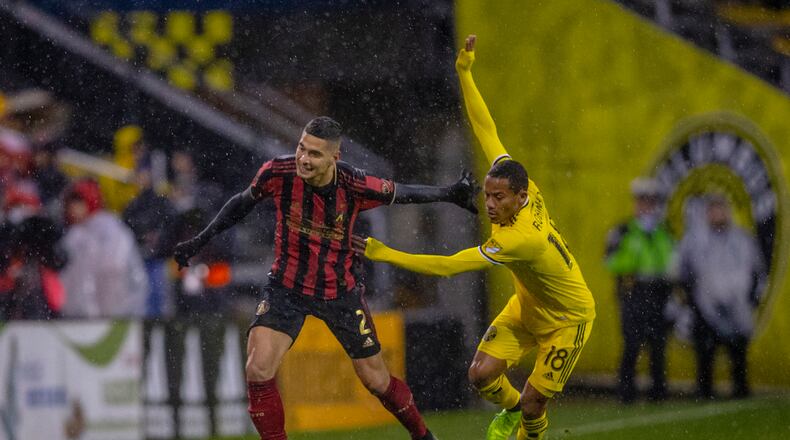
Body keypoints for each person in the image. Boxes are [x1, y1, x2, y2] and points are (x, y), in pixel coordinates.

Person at [173, 116, 479, 440]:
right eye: (302, 148)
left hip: (339, 292)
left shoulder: (355, 184)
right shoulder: (278, 172)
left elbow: (402, 193)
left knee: (376, 381)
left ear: (335, 156)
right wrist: (199, 241)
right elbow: (242, 202)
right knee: (258, 368)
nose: (304, 159)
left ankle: (423, 436)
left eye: (315, 154)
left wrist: (450, 193)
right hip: (286, 287)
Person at [352, 35, 596, 440]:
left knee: (538, 401)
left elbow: (449, 267)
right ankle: (513, 410)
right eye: (487, 195)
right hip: (528, 307)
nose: (490, 204)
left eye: (499, 198)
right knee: (480, 375)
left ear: (520, 197)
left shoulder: (522, 239)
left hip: (568, 320)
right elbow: (487, 129)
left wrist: (385, 252)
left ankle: (530, 430)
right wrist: (464, 72)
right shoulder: (521, 183)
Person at [676, 194, 765, 399]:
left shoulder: (742, 239)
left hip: (737, 306)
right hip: (705, 305)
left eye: (721, 209)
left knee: (738, 353)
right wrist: (692, 299)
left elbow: (756, 270)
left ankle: (740, 391)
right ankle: (704, 392)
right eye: (713, 210)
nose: (717, 214)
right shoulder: (695, 240)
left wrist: (750, 299)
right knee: (705, 353)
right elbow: (683, 270)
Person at [604, 177, 675, 403]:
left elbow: (672, 262)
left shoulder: (664, 232)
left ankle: (658, 393)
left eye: (651, 202)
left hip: (659, 293)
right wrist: (633, 265)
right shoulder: (624, 231)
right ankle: (626, 394)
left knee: (658, 345)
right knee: (632, 345)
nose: (647, 207)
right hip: (633, 292)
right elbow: (610, 261)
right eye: (642, 202)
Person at [59, 178, 148, 318]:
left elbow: (114, 269)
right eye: (71, 204)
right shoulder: (74, 234)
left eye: (79, 203)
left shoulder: (108, 229)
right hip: (79, 318)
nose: (73, 209)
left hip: (111, 315)